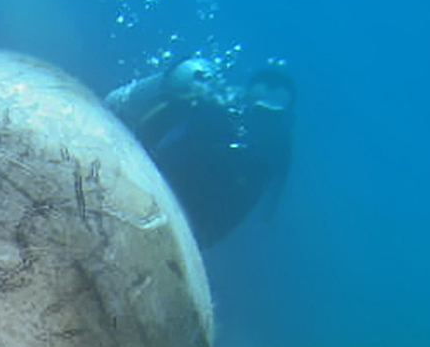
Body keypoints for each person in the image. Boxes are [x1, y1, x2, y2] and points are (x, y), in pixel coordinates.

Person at [104, 55, 296, 246]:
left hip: (192, 221)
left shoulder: (276, 148)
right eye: (261, 107)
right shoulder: (218, 113)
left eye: (272, 112)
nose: (264, 118)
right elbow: (160, 121)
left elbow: (266, 201)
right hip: (166, 198)